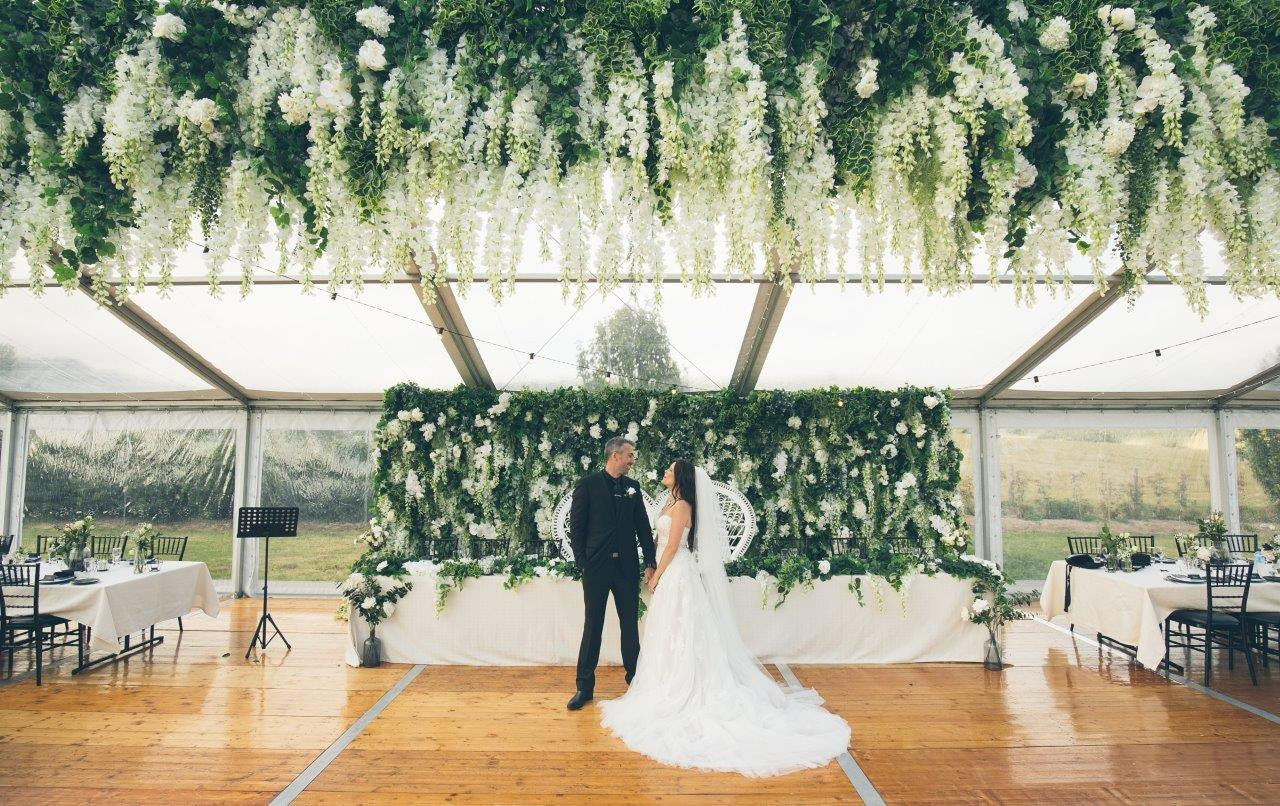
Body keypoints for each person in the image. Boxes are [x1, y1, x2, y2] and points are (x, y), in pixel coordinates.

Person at [599, 460, 851, 776]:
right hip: (668, 572)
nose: (664, 471)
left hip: (678, 574)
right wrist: (651, 567)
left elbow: (674, 545)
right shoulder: (670, 501)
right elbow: (658, 541)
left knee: (682, 630)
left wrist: (657, 575)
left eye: (670, 469)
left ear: (681, 477)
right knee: (666, 631)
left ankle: (684, 687)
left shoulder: (683, 506)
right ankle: (662, 681)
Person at [566, 436, 656, 710]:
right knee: (593, 624)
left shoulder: (633, 487)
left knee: (629, 625)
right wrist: (583, 562)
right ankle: (584, 687)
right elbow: (577, 529)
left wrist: (650, 561)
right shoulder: (588, 485)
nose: (632, 460)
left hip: (626, 567)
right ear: (615, 456)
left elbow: (642, 525)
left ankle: (636, 681)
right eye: (629, 455)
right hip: (596, 568)